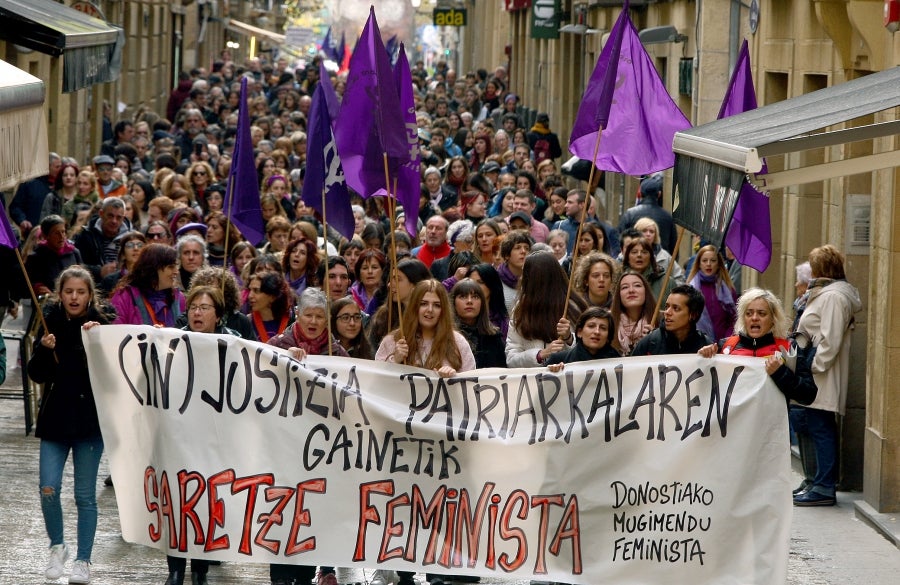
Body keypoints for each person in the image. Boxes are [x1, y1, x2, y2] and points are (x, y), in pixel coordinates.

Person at [30, 266, 114, 585]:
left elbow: (113, 372)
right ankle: (57, 546)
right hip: (55, 418)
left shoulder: (100, 325)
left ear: (90, 294)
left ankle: (83, 560)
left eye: (80, 292)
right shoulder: (49, 319)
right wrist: (44, 348)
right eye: (68, 292)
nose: (74, 297)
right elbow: (37, 374)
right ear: (60, 294)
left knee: (85, 496)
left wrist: (98, 341)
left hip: (89, 422)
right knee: (48, 487)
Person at [788, 245, 861, 507]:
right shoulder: (830, 294)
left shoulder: (832, 297)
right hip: (816, 373)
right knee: (815, 426)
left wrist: (812, 367)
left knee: (821, 428)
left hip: (820, 376)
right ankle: (817, 481)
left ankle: (823, 485)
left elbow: (830, 340)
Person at [375, 279, 476, 377]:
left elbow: (470, 384)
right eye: (423, 304)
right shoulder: (394, 340)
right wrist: (394, 360)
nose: (430, 310)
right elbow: (376, 382)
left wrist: (453, 378)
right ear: (414, 307)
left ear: (443, 310)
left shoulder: (458, 342)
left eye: (437, 305)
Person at [505, 252, 584, 367]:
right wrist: (540, 355)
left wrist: (569, 338)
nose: (522, 278)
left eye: (525, 274)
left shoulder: (572, 307)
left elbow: (587, 352)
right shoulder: (520, 309)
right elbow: (511, 358)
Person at [109, 244, 185, 326]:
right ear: (154, 269)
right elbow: (115, 332)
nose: (176, 272)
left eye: (176, 266)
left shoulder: (179, 298)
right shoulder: (124, 296)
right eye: (171, 267)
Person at [632, 284, 713, 355]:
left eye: (676, 308)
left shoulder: (705, 345)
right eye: (667, 307)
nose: (667, 312)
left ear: (693, 315)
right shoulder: (650, 343)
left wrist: (705, 357)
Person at [451, 278, 506, 368]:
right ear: (453, 303)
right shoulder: (447, 336)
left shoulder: (494, 337)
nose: (469, 301)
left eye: (475, 297)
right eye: (463, 296)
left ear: (482, 303)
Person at [686, 244, 738, 341]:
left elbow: (734, 319)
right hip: (696, 344)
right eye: (704, 260)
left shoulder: (728, 289)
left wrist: (726, 340)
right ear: (699, 264)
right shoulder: (689, 289)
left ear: (718, 264)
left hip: (723, 345)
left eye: (713, 260)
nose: (708, 264)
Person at [618, 173, 677, 255]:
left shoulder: (629, 215)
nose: (648, 235)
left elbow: (620, 242)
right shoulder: (668, 217)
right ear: (659, 194)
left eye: (651, 231)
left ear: (640, 194)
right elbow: (674, 249)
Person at [545, 307, 620, 371]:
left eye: (603, 328)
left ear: (608, 336)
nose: (597, 332)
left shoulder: (620, 363)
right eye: (591, 326)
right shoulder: (559, 360)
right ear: (579, 332)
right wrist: (552, 373)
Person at [25, 215, 84, 296]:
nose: (62, 236)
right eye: (56, 233)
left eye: (63, 232)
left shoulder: (74, 253)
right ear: (46, 236)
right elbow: (27, 283)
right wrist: (38, 287)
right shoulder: (36, 257)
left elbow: (83, 278)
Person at [611, 271, 657, 355]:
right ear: (618, 295)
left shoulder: (661, 321)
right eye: (625, 287)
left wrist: (657, 340)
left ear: (646, 291)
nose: (631, 290)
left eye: (637, 285)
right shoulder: (608, 324)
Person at [246, 270, 294, 342]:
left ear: (272, 296)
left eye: (256, 291)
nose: (250, 296)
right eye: (250, 290)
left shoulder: (292, 322)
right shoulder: (247, 322)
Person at [99, 230, 146, 296]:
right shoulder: (110, 280)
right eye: (130, 245)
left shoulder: (152, 278)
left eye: (140, 245)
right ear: (123, 253)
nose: (136, 248)